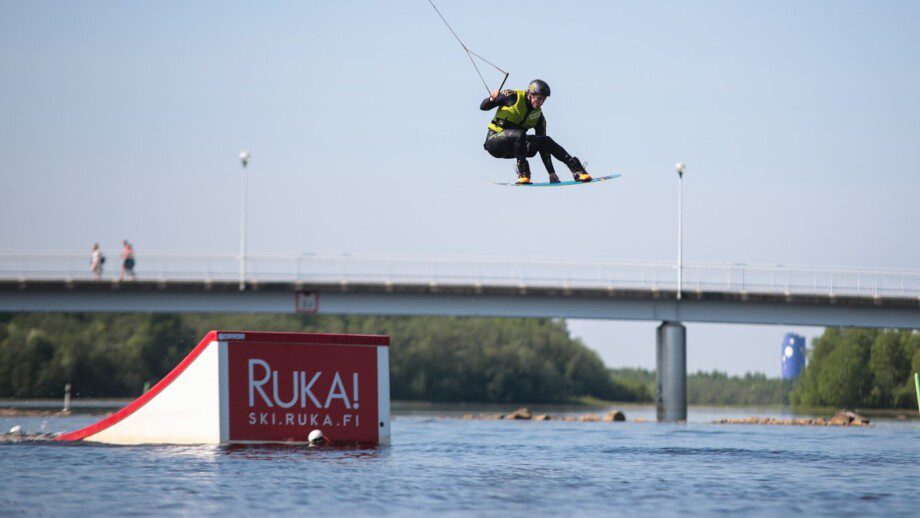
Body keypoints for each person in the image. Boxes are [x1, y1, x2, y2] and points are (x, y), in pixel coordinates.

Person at [481, 79, 592, 185]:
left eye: (543, 100)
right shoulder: (512, 96)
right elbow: (483, 107)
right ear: (530, 94)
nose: (540, 103)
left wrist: (551, 172)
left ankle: (576, 169)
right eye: (538, 98)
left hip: (515, 149)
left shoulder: (539, 117)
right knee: (520, 134)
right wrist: (491, 99)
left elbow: (544, 148)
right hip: (494, 143)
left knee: (545, 140)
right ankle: (523, 172)